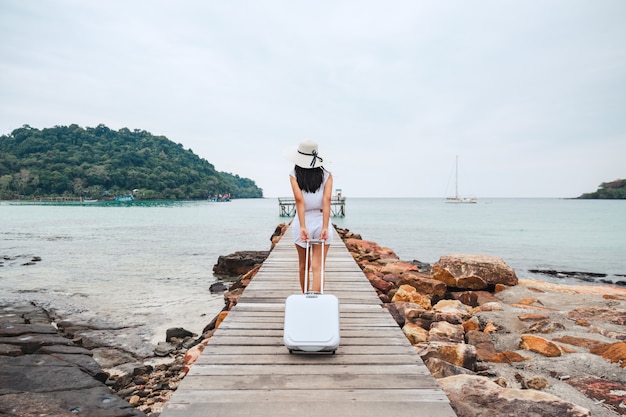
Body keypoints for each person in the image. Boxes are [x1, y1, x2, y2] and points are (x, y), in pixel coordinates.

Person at [287, 139, 333, 293]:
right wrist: (325, 227)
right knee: (318, 267)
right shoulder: (327, 175)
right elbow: (326, 201)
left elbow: (299, 200)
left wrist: (302, 227)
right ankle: (316, 302)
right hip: (321, 220)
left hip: (302, 220)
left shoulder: (294, 175)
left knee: (303, 266)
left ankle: (305, 298)